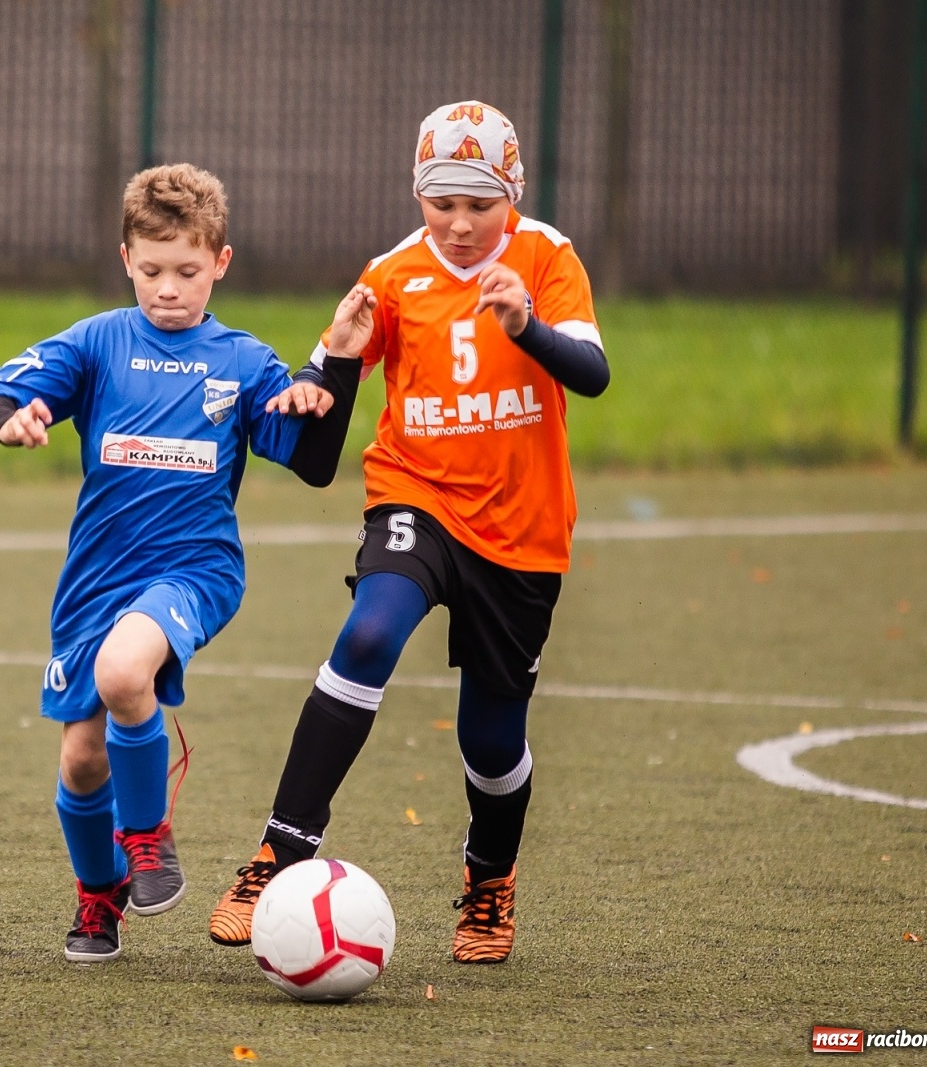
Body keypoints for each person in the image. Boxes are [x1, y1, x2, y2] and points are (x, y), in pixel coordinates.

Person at [208, 101, 610, 964]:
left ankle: (489, 876)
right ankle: (280, 853)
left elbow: (594, 373)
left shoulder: (547, 257)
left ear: (514, 193)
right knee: (371, 630)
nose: (460, 225)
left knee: (491, 742)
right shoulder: (392, 273)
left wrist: (525, 327)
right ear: (417, 193)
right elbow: (322, 427)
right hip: (415, 496)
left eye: (480, 204)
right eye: (441, 203)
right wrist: (332, 370)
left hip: (522, 531)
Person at [0, 163, 366, 962]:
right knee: (82, 759)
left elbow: (318, 463)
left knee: (126, 675)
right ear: (126, 258)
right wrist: (17, 418)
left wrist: (330, 384)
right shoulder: (98, 340)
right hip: (96, 577)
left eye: (187, 271)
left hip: (194, 568)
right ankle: (99, 893)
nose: (167, 288)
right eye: (151, 270)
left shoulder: (246, 362)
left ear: (220, 262)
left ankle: (148, 837)